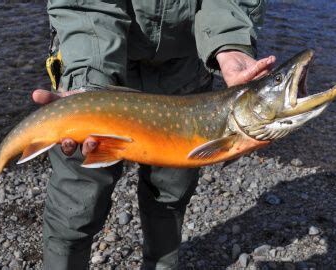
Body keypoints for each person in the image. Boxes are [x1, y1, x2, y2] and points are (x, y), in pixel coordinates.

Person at [32, 1, 276, 269]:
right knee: (76, 202)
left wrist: (230, 42)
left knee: (170, 195)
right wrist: (89, 83)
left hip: (185, 67)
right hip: (92, 57)